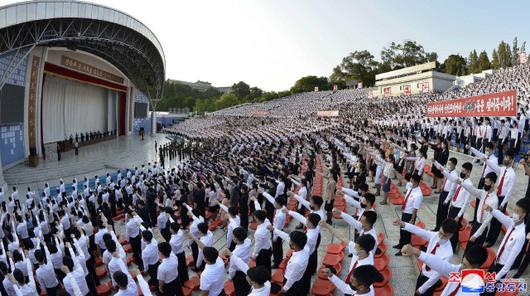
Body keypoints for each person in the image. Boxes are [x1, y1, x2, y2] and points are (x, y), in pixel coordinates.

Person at [393, 218, 457, 296]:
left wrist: (422, 289)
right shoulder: (435, 235)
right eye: (440, 233)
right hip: (423, 272)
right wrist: (403, 223)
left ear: (451, 235)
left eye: (445, 236)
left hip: (430, 281)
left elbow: (437, 275)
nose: (440, 237)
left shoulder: (448, 253)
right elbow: (419, 231)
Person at [482, 198, 530, 296]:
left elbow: (509, 264)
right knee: (484, 287)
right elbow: (503, 217)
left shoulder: (520, 235)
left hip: (501, 268)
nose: (515, 213)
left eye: (517, 211)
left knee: (489, 292)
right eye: (515, 210)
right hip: (495, 261)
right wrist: (491, 209)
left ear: (524, 215)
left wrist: (496, 278)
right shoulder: (512, 222)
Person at [401, 244, 488, 296]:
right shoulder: (459, 270)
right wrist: (416, 251)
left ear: (476, 268)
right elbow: (441, 265)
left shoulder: (472, 291)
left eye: (466, 266)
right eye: (463, 263)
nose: (462, 267)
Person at [436, 161, 473, 252]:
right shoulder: (460, 179)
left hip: (458, 210)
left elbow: (466, 203)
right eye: (462, 170)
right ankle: (446, 244)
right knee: (449, 227)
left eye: (464, 171)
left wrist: (459, 215)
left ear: (468, 172)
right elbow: (451, 179)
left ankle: (452, 247)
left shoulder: (469, 185)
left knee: (454, 230)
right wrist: (443, 171)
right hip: (452, 206)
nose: (462, 172)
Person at [458, 172, 498, 251]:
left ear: (493, 183)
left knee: (475, 251)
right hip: (476, 224)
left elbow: (486, 222)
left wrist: (476, 235)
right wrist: (462, 183)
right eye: (485, 182)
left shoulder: (494, 200)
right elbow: (473, 190)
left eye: (487, 183)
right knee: (468, 248)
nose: (485, 184)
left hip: (482, 229)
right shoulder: (483, 192)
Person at [270, 229, 309, 296]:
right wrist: (274, 230)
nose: (289, 242)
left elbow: (292, 279)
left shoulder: (297, 262)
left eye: (290, 241)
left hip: (293, 284)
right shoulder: (306, 248)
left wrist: (285, 288)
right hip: (299, 278)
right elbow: (286, 237)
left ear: (294, 245)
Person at [394, 174, 423, 255]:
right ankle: (400, 245)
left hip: (410, 215)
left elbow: (415, 209)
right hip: (405, 212)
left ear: (416, 182)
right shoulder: (411, 186)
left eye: (412, 180)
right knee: (402, 230)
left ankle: (404, 250)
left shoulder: (418, 194)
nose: (410, 181)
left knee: (406, 234)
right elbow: (403, 180)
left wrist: (412, 220)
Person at [433, 157, 457, 231]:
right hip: (442, 192)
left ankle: (441, 228)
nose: (448, 165)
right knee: (439, 212)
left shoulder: (455, 175)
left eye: (450, 164)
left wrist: (447, 200)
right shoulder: (448, 170)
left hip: (447, 194)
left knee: (443, 213)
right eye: (448, 164)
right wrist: (435, 162)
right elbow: (441, 168)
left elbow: (452, 190)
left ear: (454, 165)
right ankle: (437, 227)